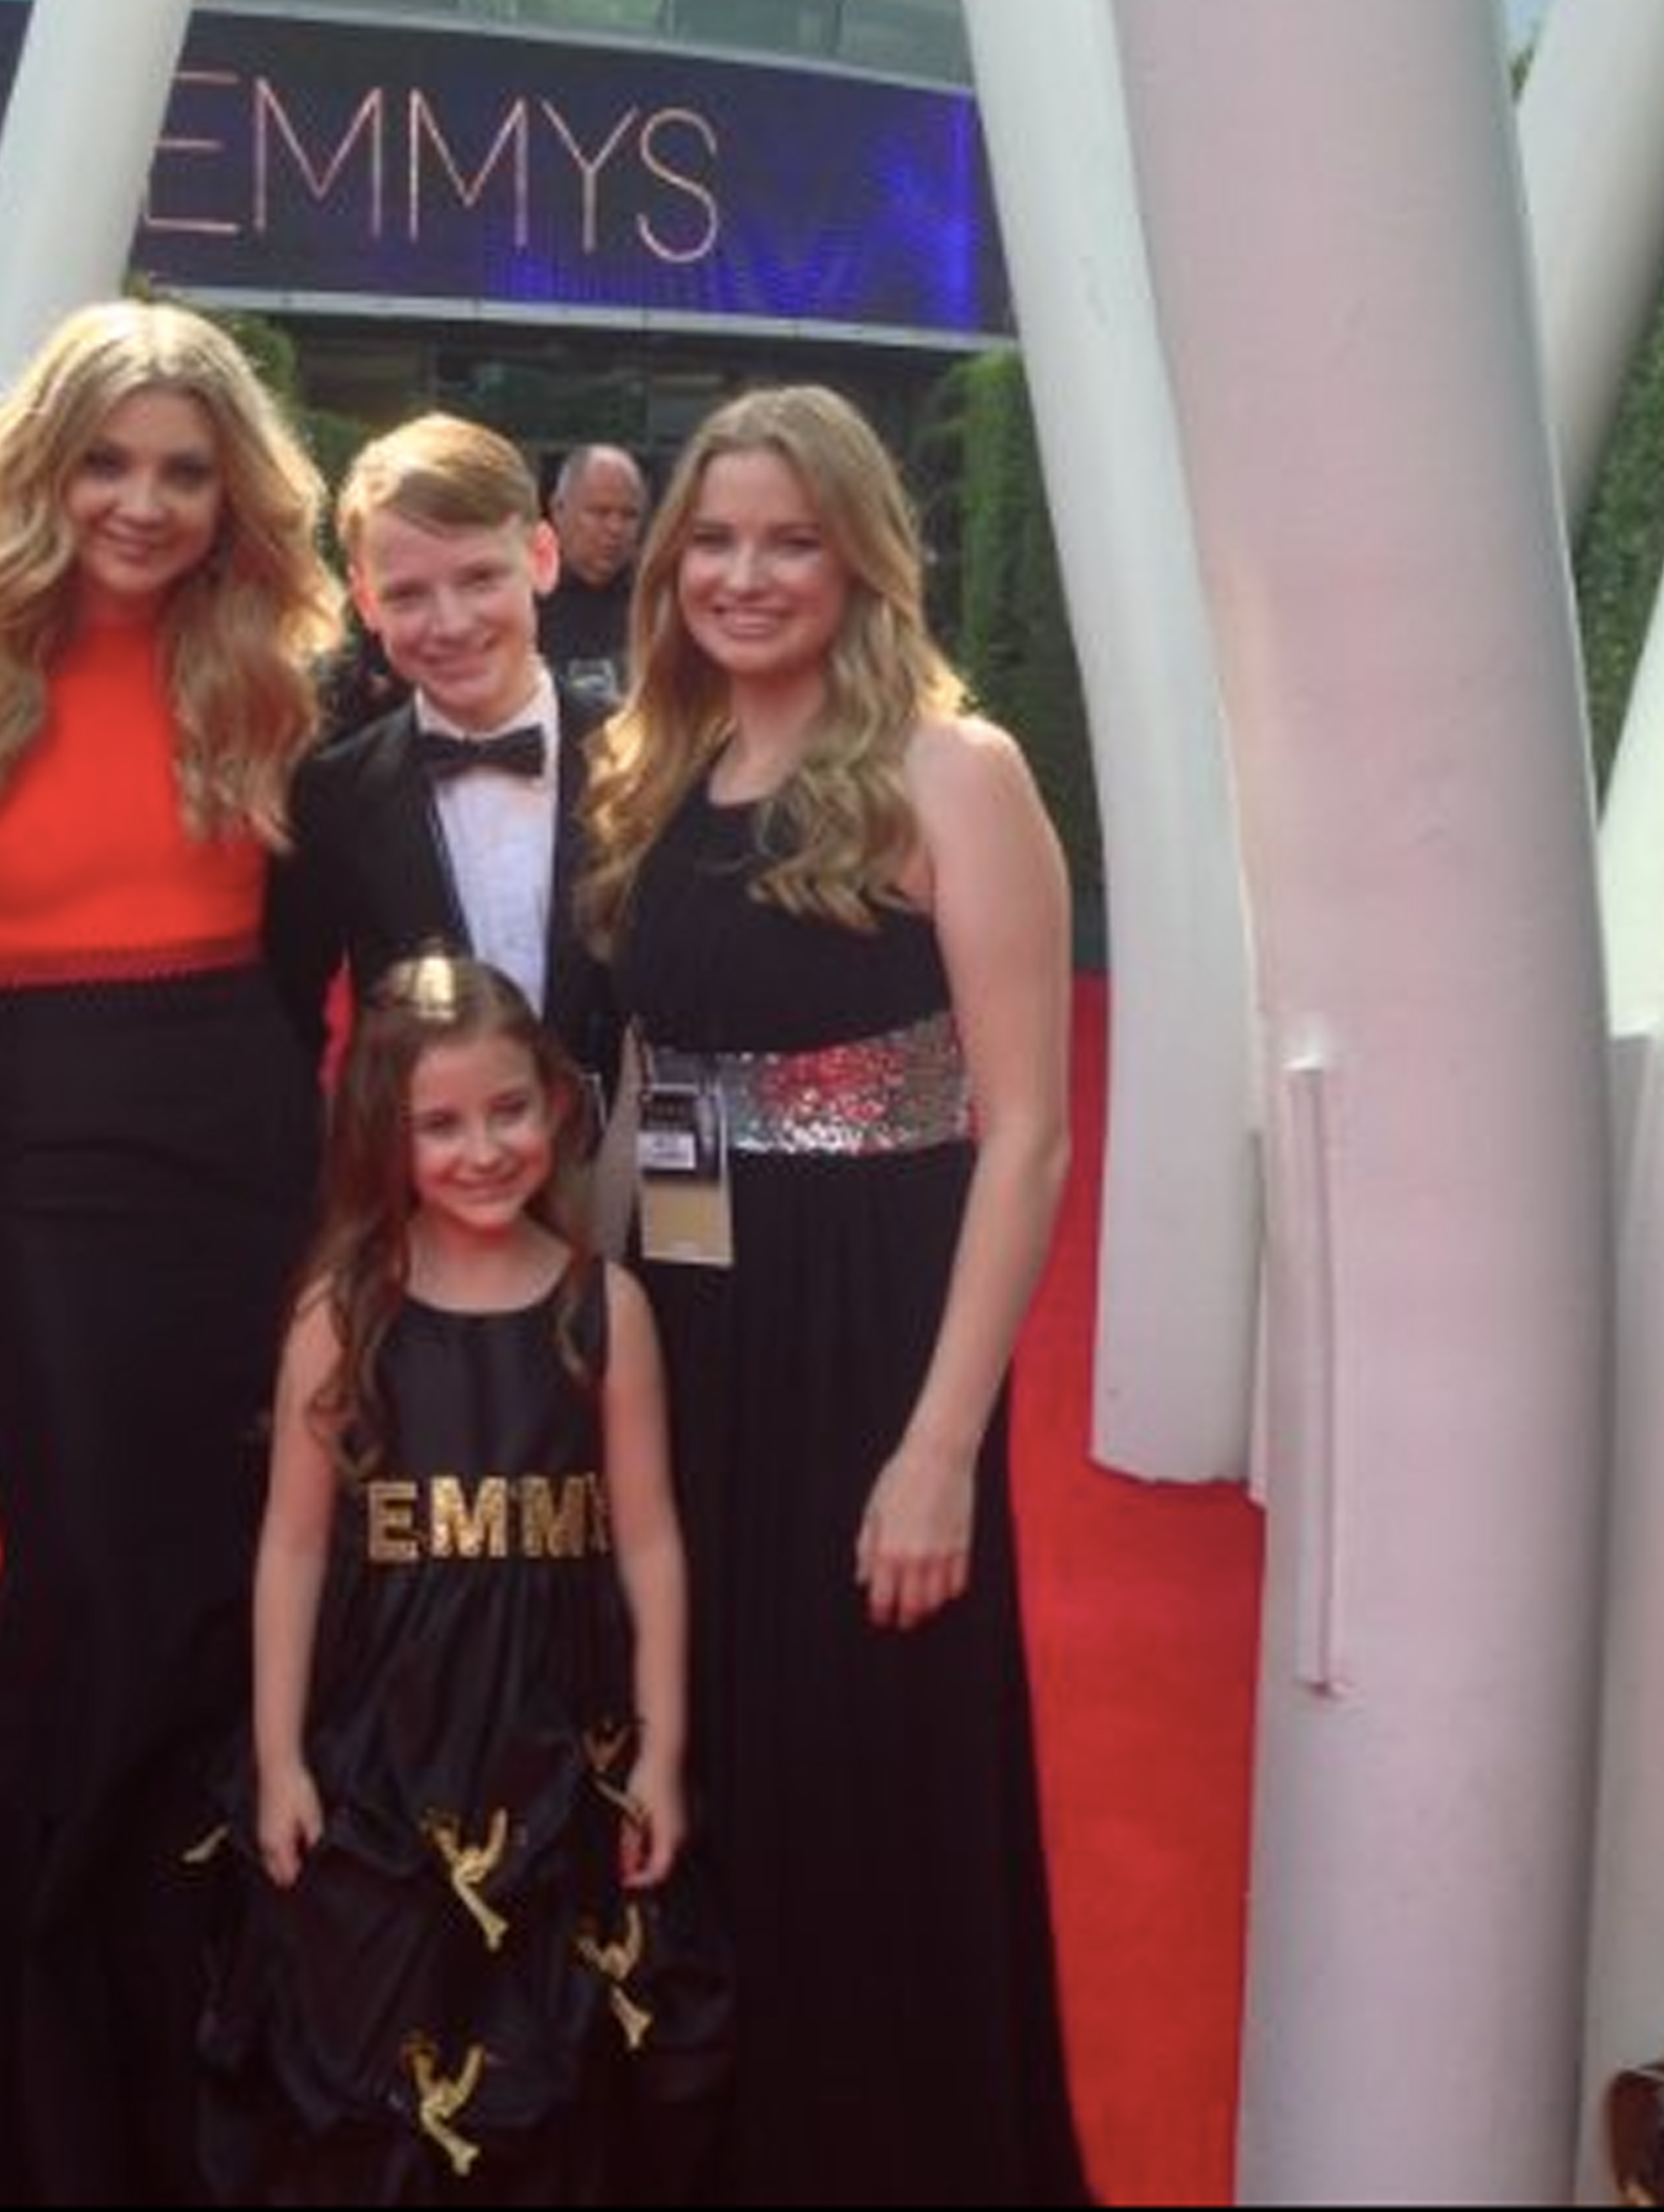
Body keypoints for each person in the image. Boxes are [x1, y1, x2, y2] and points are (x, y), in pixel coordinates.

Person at [0, 296, 344, 2202]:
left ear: (232, 492)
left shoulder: (270, 661)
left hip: (246, 1150)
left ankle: (191, 2040)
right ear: (44, 467)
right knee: (89, 1586)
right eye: (109, 462)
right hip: (51, 1177)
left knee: (215, 1587)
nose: (146, 501)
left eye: (186, 470)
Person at [576, 383, 1091, 2205]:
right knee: (697, 1734)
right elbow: (644, 1088)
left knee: (871, 1766)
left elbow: (1025, 1131)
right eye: (713, 538)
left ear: (863, 551)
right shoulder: (655, 764)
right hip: (689, 1319)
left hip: (875, 1333)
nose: (742, 572)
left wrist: (944, 1441)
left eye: (789, 538)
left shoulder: (958, 769)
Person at [199, 955, 726, 2203]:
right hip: (383, 1747)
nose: (483, 1148)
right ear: (384, 1136)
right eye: (440, 1123)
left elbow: (649, 1540)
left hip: (554, 1751)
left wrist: (659, 1752)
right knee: (383, 2047)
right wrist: (279, 1758)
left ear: (555, 1106)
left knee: (549, 2048)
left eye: (508, 1110)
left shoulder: (608, 1311)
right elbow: (292, 1544)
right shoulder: (343, 1313)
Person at [268, 413, 620, 1087]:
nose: (451, 622)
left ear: (542, 559)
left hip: (625, 1177)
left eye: (481, 577)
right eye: (407, 594)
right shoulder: (329, 799)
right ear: (365, 602)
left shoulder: (648, 762)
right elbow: (293, 1026)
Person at [535, 440, 649, 710]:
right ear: (558, 509)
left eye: (629, 515)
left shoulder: (659, 598)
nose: (615, 528)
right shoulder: (518, 598)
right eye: (600, 512)